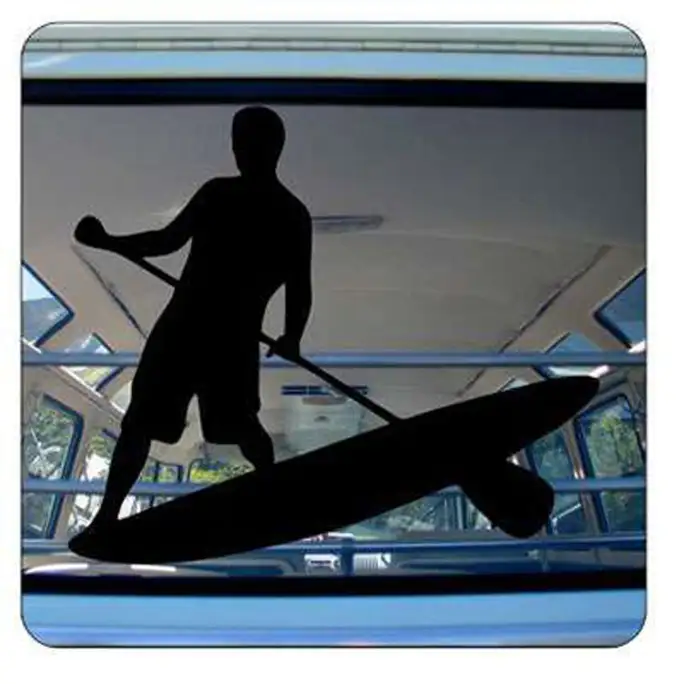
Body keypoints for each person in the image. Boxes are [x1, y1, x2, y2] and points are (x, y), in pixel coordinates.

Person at [74, 106, 313, 531]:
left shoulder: (223, 194)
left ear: (264, 147)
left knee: (149, 421)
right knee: (233, 424)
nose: (240, 150)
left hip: (185, 329)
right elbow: (299, 286)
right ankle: (272, 496)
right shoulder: (291, 213)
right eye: (240, 142)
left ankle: (108, 515)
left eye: (245, 142)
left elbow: (166, 241)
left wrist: (110, 241)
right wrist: (291, 336)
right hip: (230, 336)